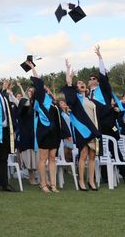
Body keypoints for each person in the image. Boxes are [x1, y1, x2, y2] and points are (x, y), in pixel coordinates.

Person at [28, 62, 71, 193]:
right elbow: (39, 83)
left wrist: (65, 133)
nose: (45, 87)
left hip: (54, 133)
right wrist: (33, 68)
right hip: (44, 131)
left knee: (53, 157)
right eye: (43, 87)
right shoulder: (40, 99)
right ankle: (43, 184)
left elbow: (59, 118)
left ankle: (53, 184)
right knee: (43, 158)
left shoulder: (52, 102)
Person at [88, 45, 125, 183]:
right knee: (102, 151)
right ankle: (105, 177)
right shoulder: (88, 94)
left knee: (114, 146)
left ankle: (124, 173)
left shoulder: (103, 90)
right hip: (98, 124)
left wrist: (100, 58)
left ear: (97, 81)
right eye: (90, 78)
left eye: (93, 78)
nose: (91, 79)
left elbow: (104, 77)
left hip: (110, 124)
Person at [62, 59, 101, 191]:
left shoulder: (90, 99)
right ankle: (81, 181)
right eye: (78, 83)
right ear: (76, 88)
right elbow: (68, 86)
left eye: (82, 82)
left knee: (92, 155)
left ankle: (91, 181)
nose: (81, 83)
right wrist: (69, 72)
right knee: (83, 154)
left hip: (92, 129)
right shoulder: (75, 100)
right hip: (82, 129)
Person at [16, 86, 38, 186]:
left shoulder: (36, 103)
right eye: (29, 91)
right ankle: (31, 176)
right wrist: (27, 102)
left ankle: (39, 176)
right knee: (29, 156)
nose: (31, 92)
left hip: (36, 133)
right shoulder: (23, 101)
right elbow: (20, 113)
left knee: (36, 155)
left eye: (33, 91)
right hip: (26, 133)